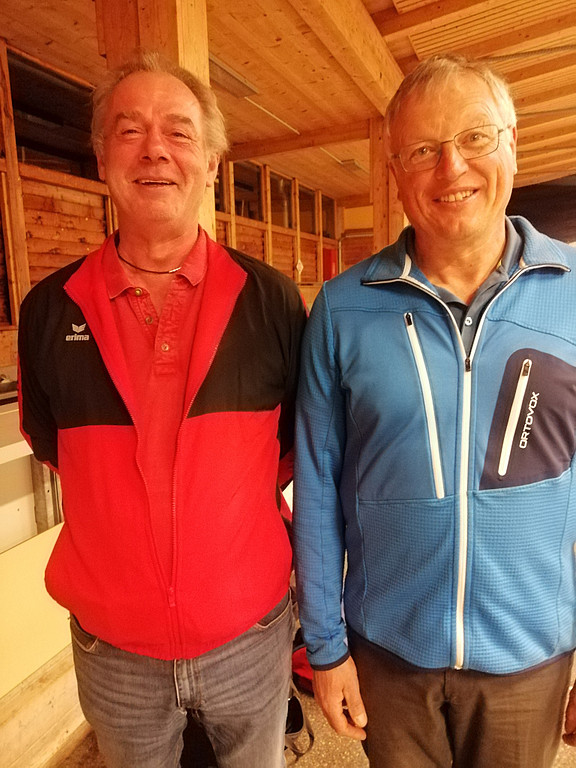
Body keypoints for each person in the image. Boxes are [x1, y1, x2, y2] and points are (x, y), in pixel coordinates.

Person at [18, 51, 306, 768]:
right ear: (102, 158)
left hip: (250, 633)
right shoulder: (48, 309)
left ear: (211, 163)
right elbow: (55, 445)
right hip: (114, 650)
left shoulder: (270, 299)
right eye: (130, 130)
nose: (154, 149)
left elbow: (290, 448)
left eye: (179, 132)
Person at [293, 53, 576, 768]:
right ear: (396, 171)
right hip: (387, 657)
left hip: (530, 659)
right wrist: (325, 648)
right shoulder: (342, 308)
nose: (451, 167)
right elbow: (316, 486)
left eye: (475, 137)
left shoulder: (572, 293)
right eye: (422, 150)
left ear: (512, 143)